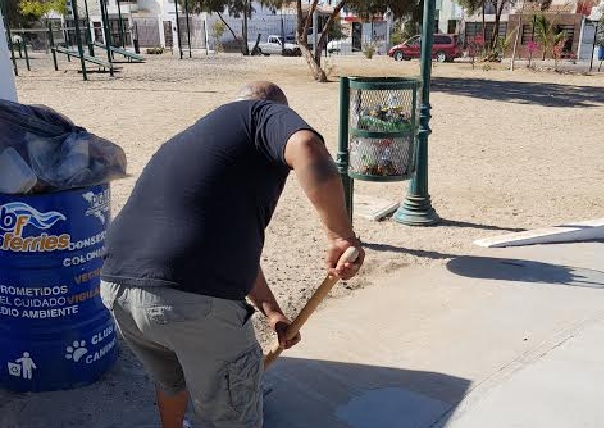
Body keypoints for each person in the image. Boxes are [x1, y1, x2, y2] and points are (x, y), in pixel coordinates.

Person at [100, 81, 364, 428]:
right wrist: (341, 235)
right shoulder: (260, 114)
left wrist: (273, 313)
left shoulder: (195, 142)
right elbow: (306, 145)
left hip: (120, 289)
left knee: (172, 381)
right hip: (188, 299)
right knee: (232, 413)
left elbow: (222, 249)